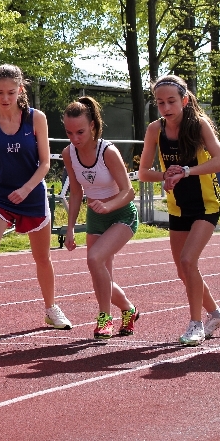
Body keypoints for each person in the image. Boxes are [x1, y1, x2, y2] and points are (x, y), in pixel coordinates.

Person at [0, 64, 72, 341]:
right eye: (0, 92)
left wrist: (27, 189)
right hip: (1, 194)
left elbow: (46, 162)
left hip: (32, 193)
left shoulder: (36, 118)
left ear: (20, 90)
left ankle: (51, 308)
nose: (5, 98)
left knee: (42, 258)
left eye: (11, 92)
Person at [138, 74, 220, 345]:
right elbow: (143, 173)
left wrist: (187, 171)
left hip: (206, 205)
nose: (166, 107)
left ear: (184, 100)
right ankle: (215, 313)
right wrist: (165, 176)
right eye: (160, 102)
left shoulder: (199, 125)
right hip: (178, 206)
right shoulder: (155, 129)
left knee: (189, 261)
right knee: (182, 269)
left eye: (171, 101)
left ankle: (196, 324)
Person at [61, 97, 140, 340]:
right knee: (100, 272)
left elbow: (129, 191)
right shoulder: (69, 153)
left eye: (80, 132)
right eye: (69, 132)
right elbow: (76, 192)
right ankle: (128, 309)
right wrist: (71, 228)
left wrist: (109, 206)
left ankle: (104, 317)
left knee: (94, 260)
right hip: (96, 217)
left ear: (93, 125)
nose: (75, 138)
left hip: (121, 214)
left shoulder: (108, 151)